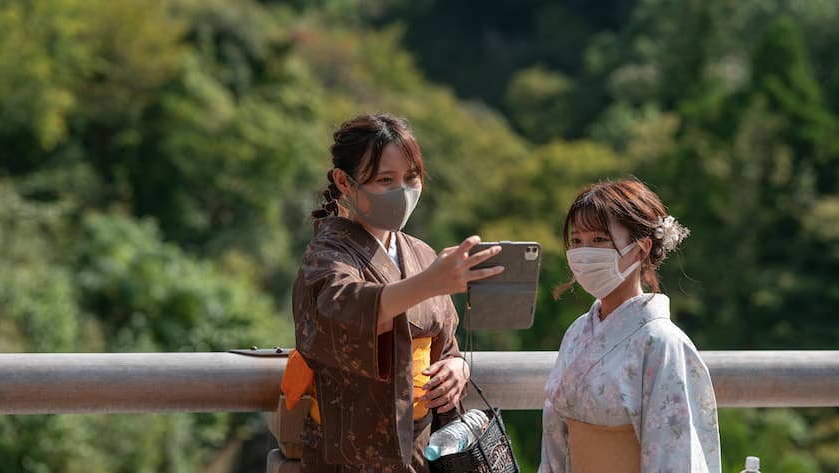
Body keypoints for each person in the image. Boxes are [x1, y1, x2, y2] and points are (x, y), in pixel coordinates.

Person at [288, 113, 504, 472]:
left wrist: (456, 367)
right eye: (385, 180)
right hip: (349, 454)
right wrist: (429, 283)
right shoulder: (327, 254)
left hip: (420, 450)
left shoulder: (421, 254)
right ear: (344, 181)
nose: (402, 191)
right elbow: (343, 308)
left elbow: (446, 343)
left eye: (411, 177)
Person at [539, 178, 721, 473]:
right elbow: (556, 446)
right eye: (576, 241)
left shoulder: (662, 342)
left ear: (640, 248)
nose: (584, 252)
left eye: (599, 240)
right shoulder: (577, 332)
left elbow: (674, 457)